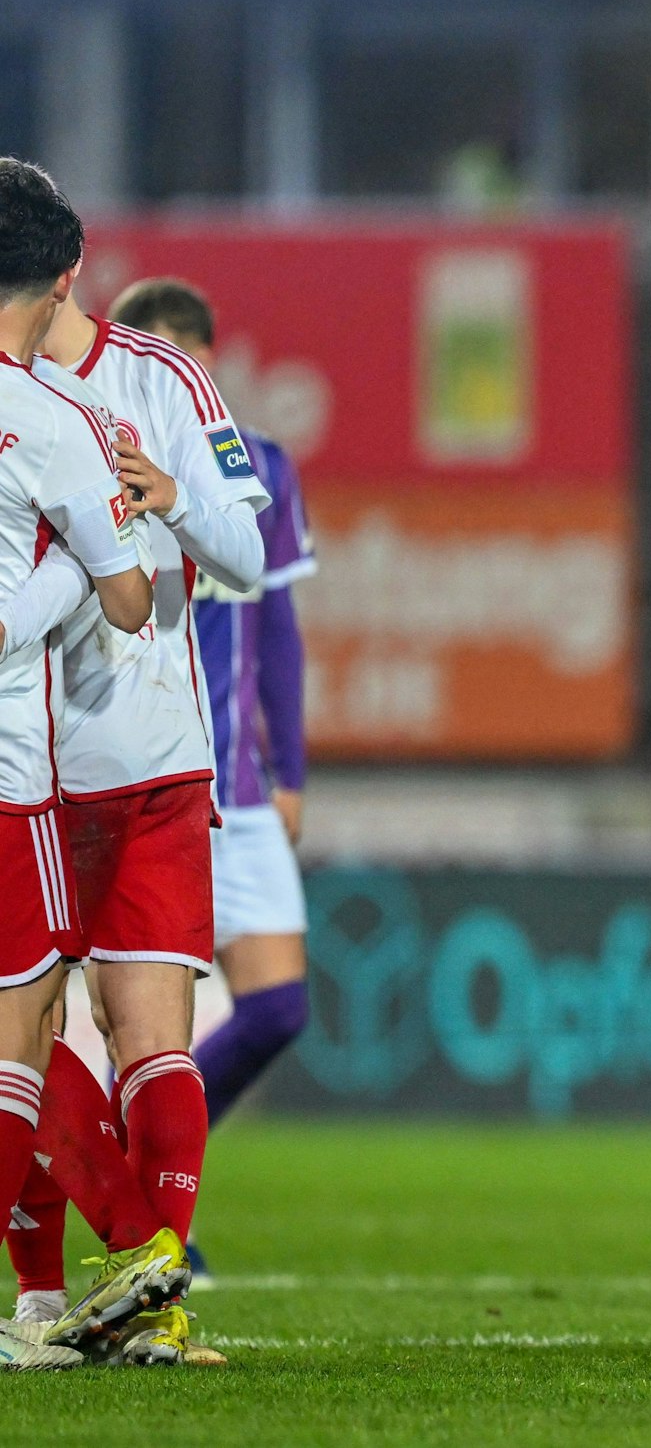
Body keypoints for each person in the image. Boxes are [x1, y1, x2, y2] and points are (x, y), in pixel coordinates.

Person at [0, 172, 268, 1365]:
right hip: (30, 760)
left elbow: (250, 553)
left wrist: (171, 505)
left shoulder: (160, 379)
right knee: (29, 1027)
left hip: (143, 757)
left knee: (144, 1025)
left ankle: (148, 1305)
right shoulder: (24, 402)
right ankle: (51, 1304)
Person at [0, 159, 179, 1372]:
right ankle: (133, 1252)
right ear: (67, 273)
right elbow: (127, 596)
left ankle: (83, 1276)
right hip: (12, 784)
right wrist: (56, 564)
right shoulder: (56, 423)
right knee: (18, 1037)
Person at [109, 278, 316, 1280]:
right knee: (137, 1030)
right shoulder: (89, 463)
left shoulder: (255, 471)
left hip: (237, 784)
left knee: (277, 1009)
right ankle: (154, 1232)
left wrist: (292, 765)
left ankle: (137, 1185)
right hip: (141, 781)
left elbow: (274, 623)